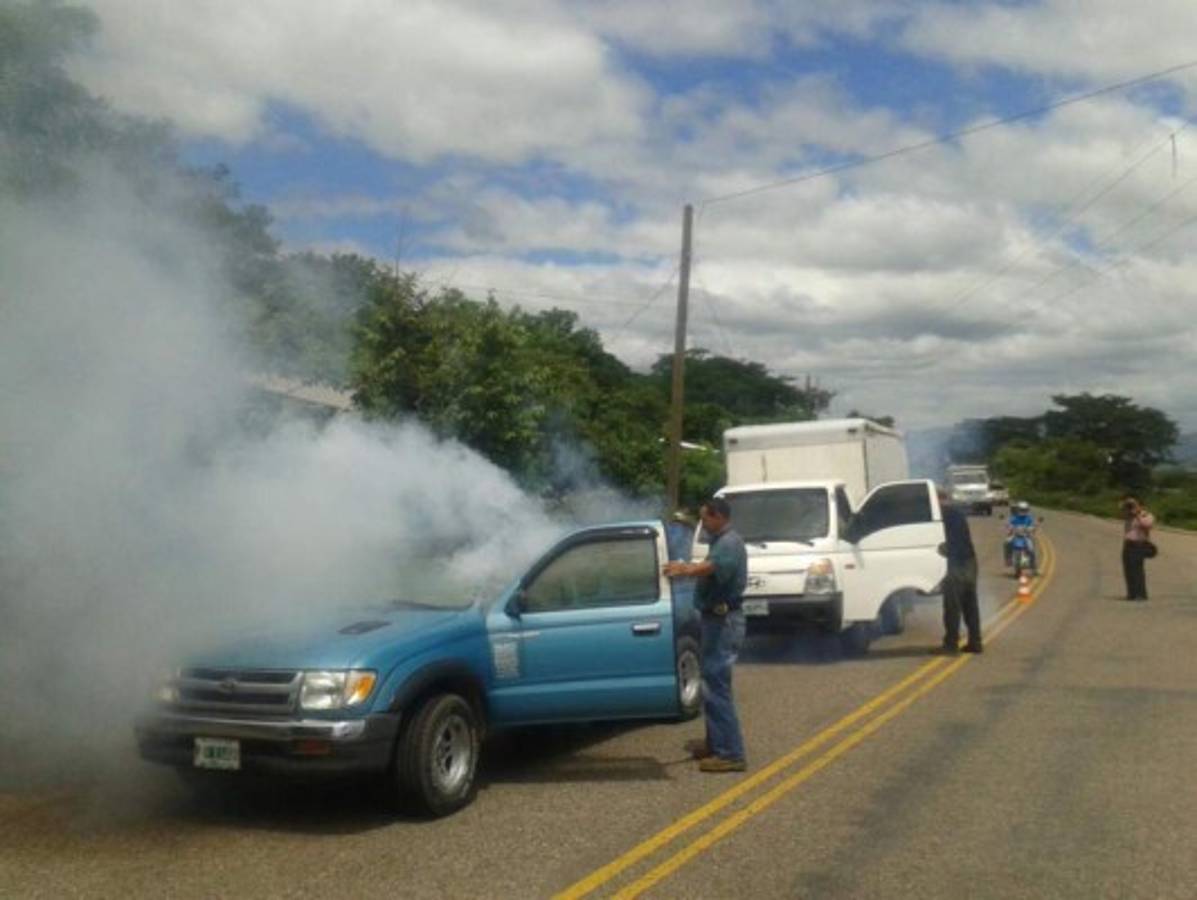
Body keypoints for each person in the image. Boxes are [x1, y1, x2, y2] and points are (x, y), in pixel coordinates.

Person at [663, 497, 748, 772]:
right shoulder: (719, 540)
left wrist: (685, 569)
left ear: (719, 516)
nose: (703, 524)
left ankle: (731, 754)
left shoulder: (729, 542)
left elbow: (712, 568)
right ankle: (716, 743)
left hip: (724, 622)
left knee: (717, 687)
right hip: (716, 619)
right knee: (711, 683)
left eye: (706, 518)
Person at [935, 487, 983, 654]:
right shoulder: (958, 514)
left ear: (938, 499)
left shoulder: (944, 515)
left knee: (952, 606)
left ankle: (951, 644)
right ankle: (975, 642)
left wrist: (940, 551)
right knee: (970, 604)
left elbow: (949, 543)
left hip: (957, 564)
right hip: (970, 562)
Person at [1121, 496, 1155, 601]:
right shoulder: (1129, 515)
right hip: (1128, 544)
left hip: (1139, 545)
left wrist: (1138, 514)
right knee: (1128, 570)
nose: (1133, 507)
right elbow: (1120, 511)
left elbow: (1147, 525)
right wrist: (1127, 504)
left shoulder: (1147, 515)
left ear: (1142, 506)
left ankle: (1141, 594)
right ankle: (1131, 593)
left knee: (1137, 570)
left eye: (1136, 505)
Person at [1004, 500, 1038, 572]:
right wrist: (1009, 526)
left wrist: (1032, 528)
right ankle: (1008, 560)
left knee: (1031, 549)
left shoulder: (1029, 518)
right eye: (1021, 509)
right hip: (1015, 535)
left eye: (1024, 509)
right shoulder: (1014, 517)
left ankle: (1033, 566)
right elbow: (1008, 523)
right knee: (1006, 543)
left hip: (1026, 536)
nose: (1023, 511)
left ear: (1027, 510)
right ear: (1018, 509)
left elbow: (1033, 525)